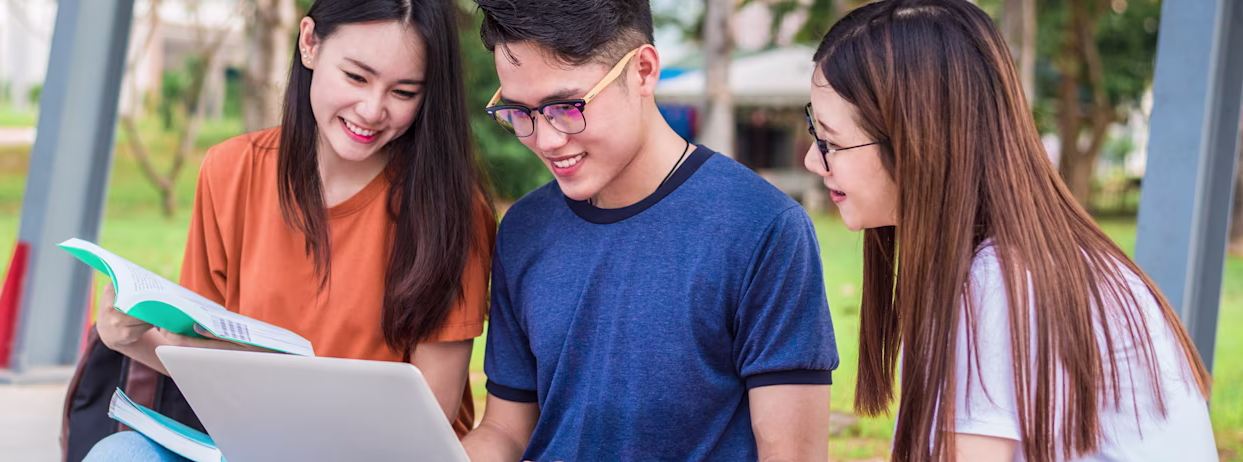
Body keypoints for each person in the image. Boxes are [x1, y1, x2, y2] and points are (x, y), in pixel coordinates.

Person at [802, 1, 1217, 460]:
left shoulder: (996, 286)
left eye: (831, 142)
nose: (812, 160)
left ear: (917, 142)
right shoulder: (1037, 263)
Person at [80, 0, 494, 459]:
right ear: (309, 43)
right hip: (255, 443)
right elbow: (197, 358)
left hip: (381, 453)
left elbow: (431, 413)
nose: (373, 110)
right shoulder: (231, 171)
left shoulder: (452, 211)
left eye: (404, 92)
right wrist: (127, 336)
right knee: (120, 454)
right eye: (356, 77)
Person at [460, 0, 839, 460]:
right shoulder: (523, 228)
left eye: (566, 106)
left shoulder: (763, 229)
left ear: (642, 70)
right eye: (520, 112)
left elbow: (791, 452)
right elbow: (506, 428)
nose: (546, 139)